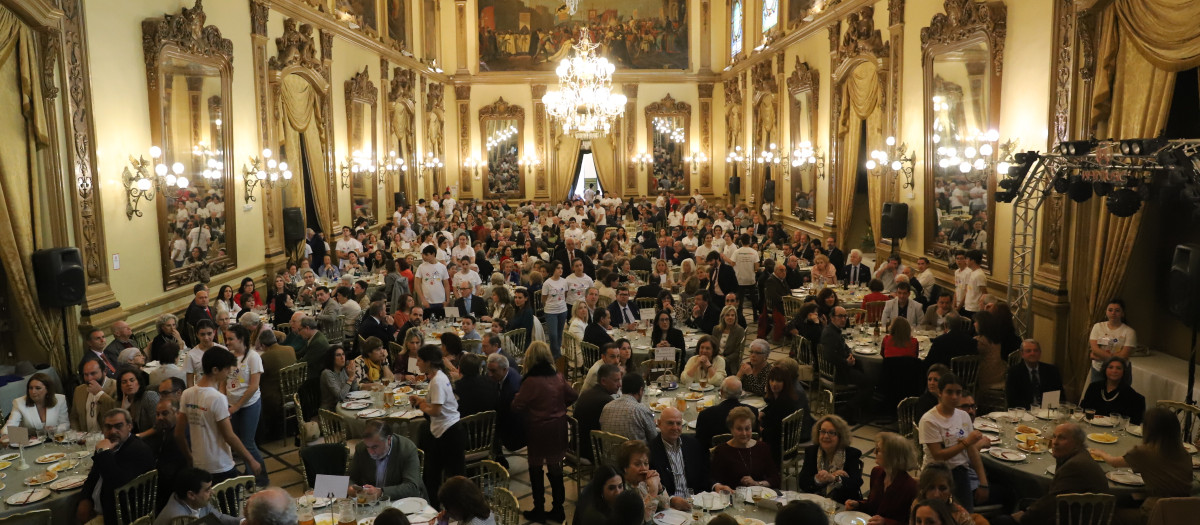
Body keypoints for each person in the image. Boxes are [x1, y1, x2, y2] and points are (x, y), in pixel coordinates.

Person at [1090, 407, 1192, 525]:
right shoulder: (1185, 454)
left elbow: (1114, 463)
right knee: (1129, 497)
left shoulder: (1144, 452)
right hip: (1185, 514)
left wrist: (1102, 453)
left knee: (1104, 512)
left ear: (1149, 429)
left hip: (1156, 515)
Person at [511, 341, 577, 522]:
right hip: (558, 427)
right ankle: (558, 509)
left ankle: (539, 508)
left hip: (537, 429)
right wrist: (559, 408)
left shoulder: (530, 380)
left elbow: (516, 406)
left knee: (535, 467)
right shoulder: (558, 376)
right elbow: (572, 395)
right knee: (556, 469)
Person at [177, 346, 264, 483]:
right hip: (220, 465)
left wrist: (189, 457)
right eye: (226, 369)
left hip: (199, 463)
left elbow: (179, 433)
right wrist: (251, 459)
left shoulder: (187, 394)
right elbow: (229, 436)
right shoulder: (217, 398)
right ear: (215, 370)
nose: (229, 373)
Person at [992, 423, 1107, 525]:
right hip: (1075, 511)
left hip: (1076, 518)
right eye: (1054, 437)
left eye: (1062, 438)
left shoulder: (1075, 465)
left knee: (1002, 520)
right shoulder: (1079, 456)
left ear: (1077, 443)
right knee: (1024, 503)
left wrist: (1024, 517)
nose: (1055, 442)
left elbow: (1051, 503)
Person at [918, 372, 989, 512]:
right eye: (949, 392)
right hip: (936, 474)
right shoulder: (929, 420)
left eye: (958, 392)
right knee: (937, 515)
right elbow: (938, 455)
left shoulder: (963, 416)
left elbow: (972, 451)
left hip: (960, 473)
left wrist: (983, 482)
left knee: (964, 515)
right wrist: (966, 442)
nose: (954, 397)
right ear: (939, 392)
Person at [408, 344, 466, 509]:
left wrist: (421, 406)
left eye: (419, 360)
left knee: (452, 478)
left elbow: (436, 410)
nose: (417, 363)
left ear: (428, 362)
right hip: (446, 431)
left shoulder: (437, 381)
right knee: (434, 474)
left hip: (449, 433)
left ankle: (453, 510)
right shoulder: (439, 376)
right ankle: (436, 508)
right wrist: (421, 401)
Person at [76, 408, 157, 525]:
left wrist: (103, 452)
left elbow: (117, 483)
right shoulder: (106, 445)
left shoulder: (138, 450)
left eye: (118, 426)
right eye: (108, 427)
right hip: (100, 509)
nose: (113, 431)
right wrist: (85, 499)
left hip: (120, 517)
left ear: (129, 426)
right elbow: (93, 476)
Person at [844, 432, 918, 525]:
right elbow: (873, 505)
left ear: (892, 456)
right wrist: (858, 505)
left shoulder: (910, 487)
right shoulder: (877, 472)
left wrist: (885, 522)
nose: (874, 452)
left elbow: (912, 523)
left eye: (878, 450)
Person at [648, 407, 716, 505]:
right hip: (669, 507)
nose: (675, 428)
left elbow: (706, 472)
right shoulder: (651, 450)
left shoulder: (693, 444)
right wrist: (671, 500)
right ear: (659, 424)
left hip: (697, 502)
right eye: (670, 423)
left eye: (678, 423)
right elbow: (650, 488)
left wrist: (715, 485)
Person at [347, 419, 424, 499]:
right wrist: (350, 487)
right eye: (368, 447)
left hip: (402, 501)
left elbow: (412, 487)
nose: (371, 452)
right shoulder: (361, 448)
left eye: (375, 447)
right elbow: (350, 477)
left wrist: (381, 492)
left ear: (389, 440)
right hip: (371, 503)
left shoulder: (407, 449)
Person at [821, 307, 873, 422]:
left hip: (840, 367)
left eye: (845, 316)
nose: (844, 319)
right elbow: (829, 357)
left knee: (862, 369)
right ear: (832, 318)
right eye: (840, 316)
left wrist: (850, 356)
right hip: (836, 372)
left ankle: (860, 408)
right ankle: (847, 409)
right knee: (869, 383)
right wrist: (846, 362)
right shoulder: (830, 334)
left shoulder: (834, 330)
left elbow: (844, 347)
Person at [711, 406, 781, 489]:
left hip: (759, 496)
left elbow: (775, 479)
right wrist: (719, 486)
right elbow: (713, 480)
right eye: (739, 429)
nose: (744, 433)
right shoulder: (722, 451)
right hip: (732, 497)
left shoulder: (763, 448)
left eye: (747, 428)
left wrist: (756, 483)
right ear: (731, 429)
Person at [797, 414, 863, 501]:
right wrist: (818, 479)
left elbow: (856, 484)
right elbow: (802, 482)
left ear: (840, 436)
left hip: (842, 505)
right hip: (817, 501)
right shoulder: (812, 451)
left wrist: (834, 479)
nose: (826, 436)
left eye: (831, 433)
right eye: (823, 431)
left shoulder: (851, 454)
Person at [153, 467, 241, 525]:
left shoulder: (198, 501)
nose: (212, 492)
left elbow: (219, 517)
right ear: (191, 495)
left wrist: (242, 521)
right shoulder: (178, 518)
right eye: (207, 490)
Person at [616, 440, 674, 523]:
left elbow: (666, 507)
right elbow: (644, 521)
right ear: (625, 467)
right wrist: (653, 492)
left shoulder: (644, 483)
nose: (644, 468)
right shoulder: (622, 491)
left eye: (646, 463)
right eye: (637, 464)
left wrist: (659, 486)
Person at [696, 377, 759, 449]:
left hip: (716, 458)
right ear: (741, 393)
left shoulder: (706, 415)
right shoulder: (753, 412)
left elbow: (700, 444)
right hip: (746, 455)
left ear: (721, 392)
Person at [486, 352, 525, 468]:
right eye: (488, 370)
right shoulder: (510, 372)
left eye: (493, 371)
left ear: (504, 369)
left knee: (487, 426)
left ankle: (499, 460)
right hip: (512, 418)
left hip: (517, 431)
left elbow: (502, 416)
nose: (489, 374)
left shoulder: (511, 389)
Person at [1080, 356, 1146, 424]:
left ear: (1124, 372)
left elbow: (1134, 422)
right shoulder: (1094, 387)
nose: (1114, 371)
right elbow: (1083, 410)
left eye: (1118, 368)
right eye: (1110, 367)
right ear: (1105, 369)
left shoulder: (1131, 396)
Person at [257, 329, 297, 441]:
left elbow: (259, 378)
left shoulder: (264, 357)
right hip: (295, 390)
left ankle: (266, 432)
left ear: (263, 345)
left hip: (276, 395)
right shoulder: (290, 349)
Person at [576, 363, 621, 462]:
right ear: (603, 381)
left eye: (620, 380)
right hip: (592, 451)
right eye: (616, 380)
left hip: (576, 445)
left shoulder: (586, 393)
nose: (620, 384)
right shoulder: (606, 401)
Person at [3, 372, 69, 438]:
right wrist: (6, 435)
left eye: (38, 388)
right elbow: (9, 426)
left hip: (55, 438)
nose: (33, 392)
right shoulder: (19, 402)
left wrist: (55, 429)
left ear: (47, 390)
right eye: (30, 388)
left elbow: (65, 423)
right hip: (30, 442)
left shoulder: (60, 399)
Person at [910, 464, 981, 525]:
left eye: (942, 488)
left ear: (950, 490)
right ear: (923, 490)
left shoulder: (961, 516)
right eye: (931, 488)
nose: (936, 495)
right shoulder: (917, 506)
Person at [1088, 298, 1136, 385]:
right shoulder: (1097, 327)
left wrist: (1100, 357)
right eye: (1110, 310)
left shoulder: (1129, 332)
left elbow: (1124, 355)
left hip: (1119, 371)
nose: (1113, 313)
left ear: (1122, 314)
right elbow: (1095, 349)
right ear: (1106, 312)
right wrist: (1112, 356)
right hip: (1098, 368)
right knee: (1096, 395)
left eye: (1117, 310)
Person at [760, 366, 802, 465]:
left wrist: (761, 429)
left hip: (779, 450)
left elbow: (773, 432)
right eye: (772, 380)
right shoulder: (783, 397)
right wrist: (764, 412)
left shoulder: (783, 404)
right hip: (788, 445)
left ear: (785, 383)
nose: (774, 384)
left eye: (779, 381)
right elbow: (772, 407)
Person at [1005, 339, 1063, 409]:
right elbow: (1012, 401)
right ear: (1022, 354)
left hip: (1048, 412)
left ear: (1040, 353)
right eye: (1028, 351)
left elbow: (1061, 396)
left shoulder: (1052, 370)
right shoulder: (1014, 372)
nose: (1032, 353)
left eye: (1035, 350)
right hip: (1025, 413)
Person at [71, 359, 117, 433]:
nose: (89, 379)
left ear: (104, 371)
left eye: (93, 374)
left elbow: (116, 412)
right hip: (85, 439)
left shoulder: (116, 387)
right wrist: (78, 435)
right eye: (86, 375)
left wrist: (100, 394)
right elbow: (74, 417)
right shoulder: (79, 390)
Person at [115, 368, 159, 437]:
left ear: (139, 382)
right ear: (120, 387)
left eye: (132, 380)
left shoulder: (149, 397)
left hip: (151, 440)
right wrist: (123, 410)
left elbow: (159, 425)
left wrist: (137, 437)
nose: (129, 384)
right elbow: (118, 430)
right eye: (124, 382)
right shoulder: (119, 402)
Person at [542, 261, 570, 357]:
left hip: (562, 310)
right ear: (553, 269)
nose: (560, 270)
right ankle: (556, 355)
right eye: (558, 268)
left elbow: (565, 295)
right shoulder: (547, 283)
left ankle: (555, 356)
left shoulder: (564, 281)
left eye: (561, 268)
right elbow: (544, 299)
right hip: (550, 311)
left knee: (559, 334)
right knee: (553, 335)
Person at [321, 345, 359, 410]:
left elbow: (355, 391)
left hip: (346, 405)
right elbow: (340, 397)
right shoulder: (327, 373)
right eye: (338, 355)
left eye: (343, 354)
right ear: (332, 358)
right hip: (331, 410)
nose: (342, 357)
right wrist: (350, 379)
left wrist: (353, 375)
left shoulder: (343, 370)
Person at [712, 305, 746, 377]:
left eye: (732, 315)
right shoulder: (716, 329)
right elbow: (713, 346)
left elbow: (737, 352)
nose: (730, 317)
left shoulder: (739, 331)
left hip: (730, 364)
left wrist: (725, 359)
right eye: (727, 315)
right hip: (715, 359)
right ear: (723, 317)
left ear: (735, 317)